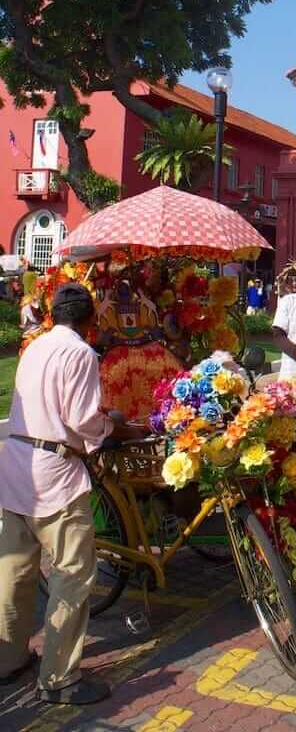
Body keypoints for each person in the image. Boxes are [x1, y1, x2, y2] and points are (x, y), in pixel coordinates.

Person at [0, 283, 144, 705]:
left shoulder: (34, 347)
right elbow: (81, 418)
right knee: (72, 576)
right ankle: (60, 677)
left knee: (15, 573)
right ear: (89, 320)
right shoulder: (79, 352)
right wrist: (113, 425)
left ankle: (8, 661)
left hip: (16, 467)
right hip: (54, 477)